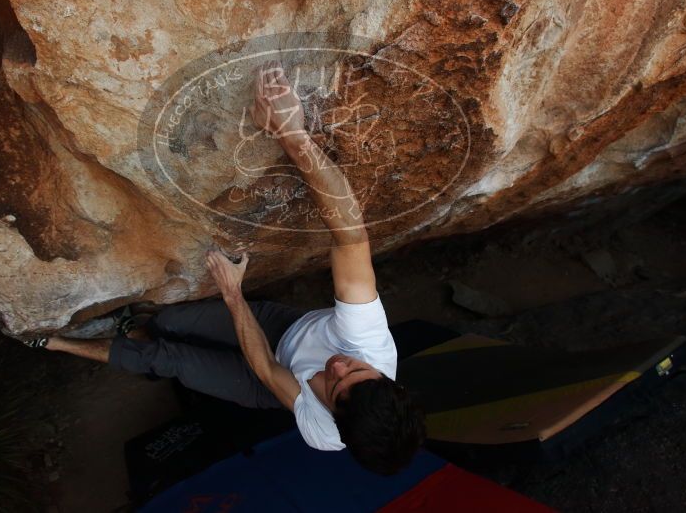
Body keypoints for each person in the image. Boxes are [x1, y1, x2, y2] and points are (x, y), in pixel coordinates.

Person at [30, 61, 425, 475]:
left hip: (266, 381)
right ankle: (144, 326)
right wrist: (294, 137)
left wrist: (234, 295)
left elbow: (268, 368)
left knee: (172, 362)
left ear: (335, 422)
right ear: (385, 377)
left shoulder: (324, 433)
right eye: (356, 371)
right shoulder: (369, 342)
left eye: (333, 387)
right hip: (285, 327)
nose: (339, 366)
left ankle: (61, 344)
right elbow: (351, 238)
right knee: (175, 319)